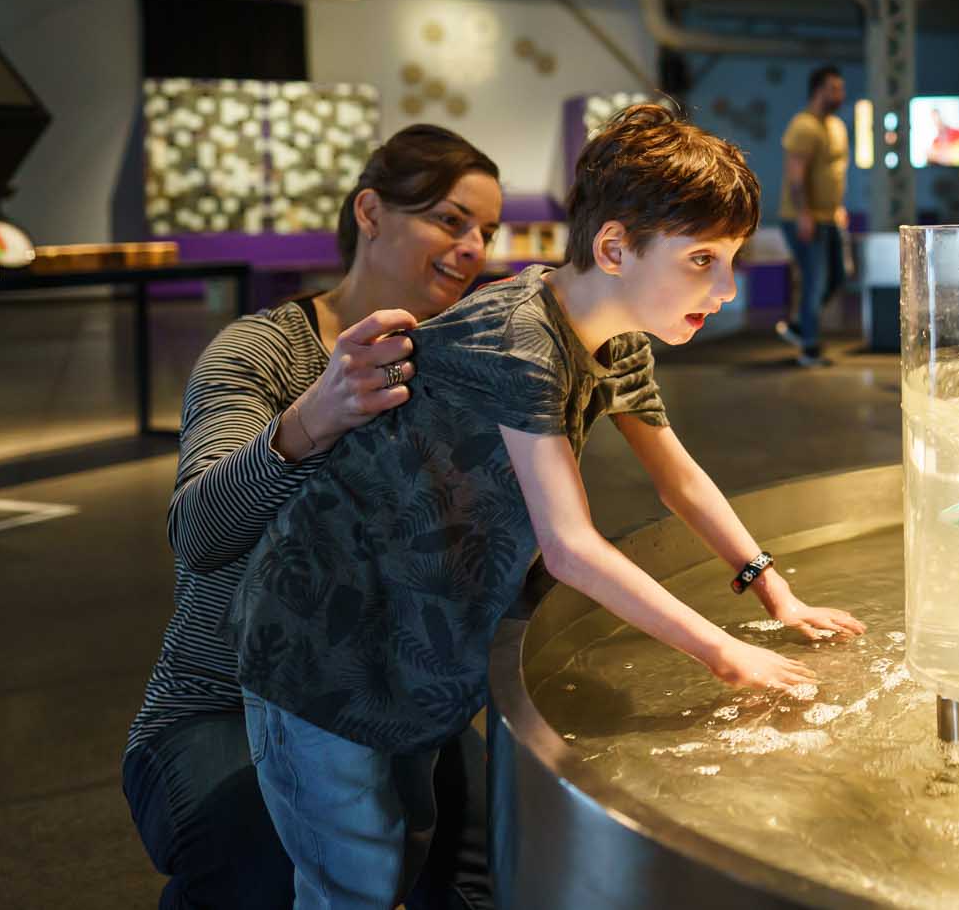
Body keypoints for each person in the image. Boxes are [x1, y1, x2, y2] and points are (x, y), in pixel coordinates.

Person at [229, 103, 866, 910]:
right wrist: (725, 654)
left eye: (731, 258)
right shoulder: (521, 337)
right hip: (321, 638)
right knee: (350, 880)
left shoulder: (617, 332)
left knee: (400, 848)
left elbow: (679, 476)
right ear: (613, 247)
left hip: (413, 633)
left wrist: (775, 587)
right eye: (702, 258)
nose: (727, 286)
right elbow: (571, 546)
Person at [125, 124, 503, 910]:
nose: (473, 246)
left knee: (481, 855)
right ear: (370, 211)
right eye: (450, 218)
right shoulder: (258, 354)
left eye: (487, 232)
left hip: (379, 689)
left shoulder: (455, 364)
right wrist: (311, 419)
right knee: (264, 851)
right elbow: (199, 533)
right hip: (221, 701)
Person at [775, 65, 850, 368]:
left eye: (840, 89)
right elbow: (796, 176)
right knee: (814, 281)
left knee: (837, 278)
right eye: (834, 88)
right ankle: (808, 348)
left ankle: (797, 327)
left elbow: (834, 173)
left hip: (830, 216)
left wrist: (838, 208)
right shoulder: (803, 126)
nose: (839, 95)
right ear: (818, 90)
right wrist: (804, 213)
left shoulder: (836, 126)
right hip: (803, 217)